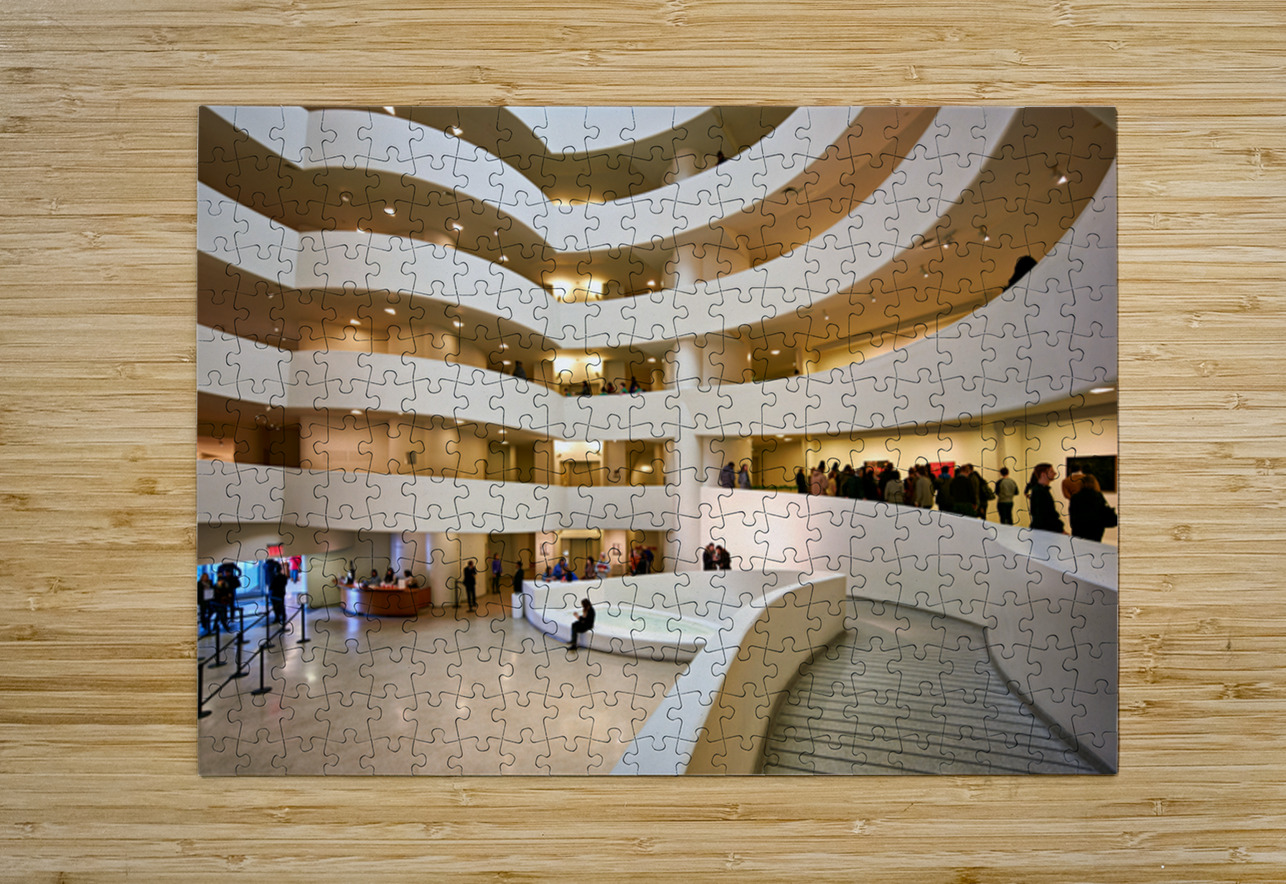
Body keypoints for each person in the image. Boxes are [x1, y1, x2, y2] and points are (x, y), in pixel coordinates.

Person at [1070, 474, 1117, 541]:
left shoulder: (1075, 497)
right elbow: (1104, 512)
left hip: (1078, 532)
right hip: (1095, 532)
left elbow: (1072, 517)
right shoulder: (1098, 496)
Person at [1028, 463, 1065, 533]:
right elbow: (1045, 515)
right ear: (1043, 474)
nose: (1055, 473)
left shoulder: (1041, 490)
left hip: (1044, 530)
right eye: (1051, 471)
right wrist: (1060, 529)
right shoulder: (1039, 491)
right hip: (1044, 531)